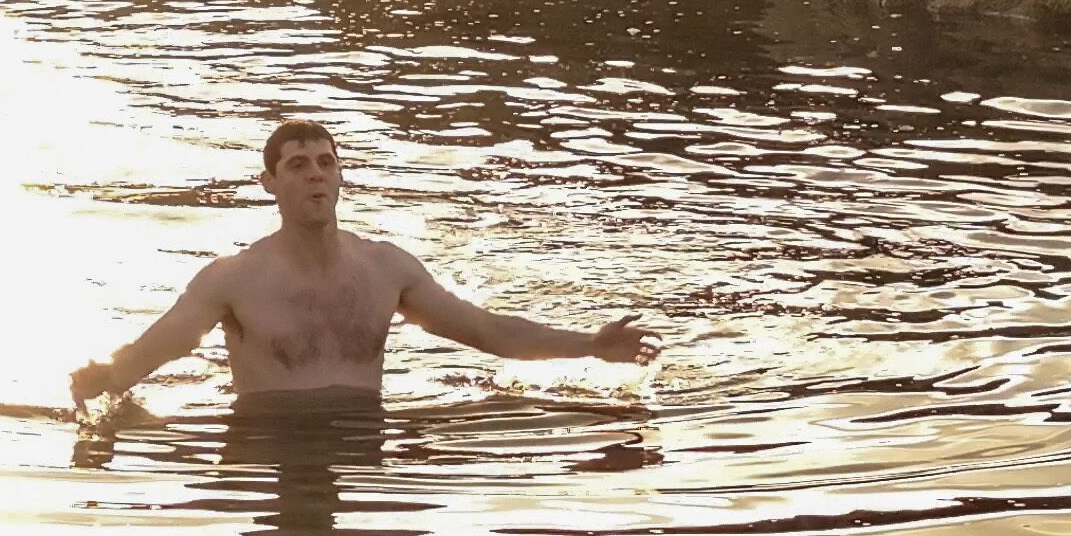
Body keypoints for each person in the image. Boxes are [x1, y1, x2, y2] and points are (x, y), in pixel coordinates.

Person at [71, 119, 655, 414]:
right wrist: (105, 380)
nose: (315, 174)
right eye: (298, 165)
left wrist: (591, 346)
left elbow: (486, 331)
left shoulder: (385, 270)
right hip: (266, 445)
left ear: (341, 176)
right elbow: (153, 353)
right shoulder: (232, 281)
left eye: (326, 162)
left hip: (364, 445)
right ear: (270, 183)